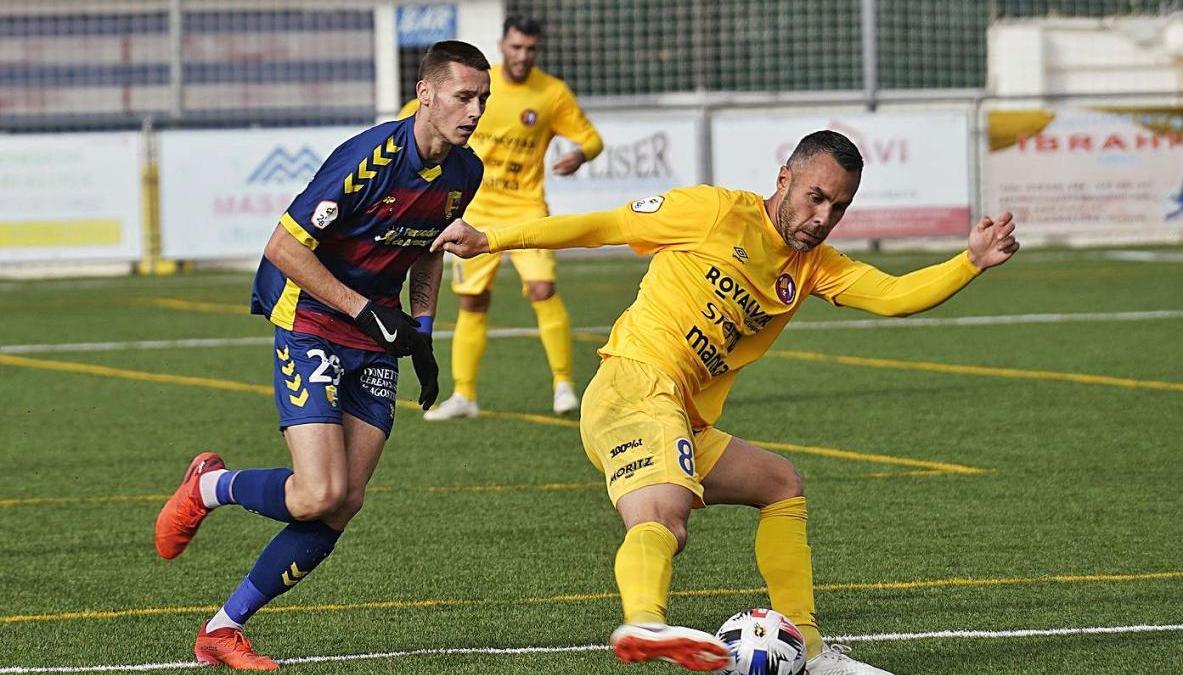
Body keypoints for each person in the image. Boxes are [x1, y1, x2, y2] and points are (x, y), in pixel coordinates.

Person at [431, 130, 1020, 673]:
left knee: (779, 484)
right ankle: (644, 622)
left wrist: (969, 262)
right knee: (664, 514)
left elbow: (892, 296)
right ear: (784, 178)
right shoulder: (713, 212)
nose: (823, 218)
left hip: (679, 415)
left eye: (838, 208)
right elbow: (603, 225)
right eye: (816, 197)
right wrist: (491, 240)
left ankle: (809, 648)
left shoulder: (813, 266)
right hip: (635, 385)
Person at [153, 41, 489, 671]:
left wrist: (421, 330)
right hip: (310, 317)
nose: (473, 112)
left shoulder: (465, 172)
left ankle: (221, 631)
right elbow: (283, 246)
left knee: (345, 501)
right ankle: (209, 486)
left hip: (377, 331)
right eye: (463, 96)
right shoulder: (370, 159)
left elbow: (429, 245)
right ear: (426, 93)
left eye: (482, 100)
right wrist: (364, 310)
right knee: (316, 494)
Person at [402, 15, 604, 420]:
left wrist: (580, 154)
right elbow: (412, 115)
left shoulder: (551, 93)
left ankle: (564, 385)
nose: (522, 56)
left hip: (526, 209)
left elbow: (591, 138)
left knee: (543, 288)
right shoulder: (475, 88)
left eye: (530, 48)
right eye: (516, 47)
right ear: (502, 45)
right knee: (473, 301)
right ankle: (464, 395)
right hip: (474, 210)